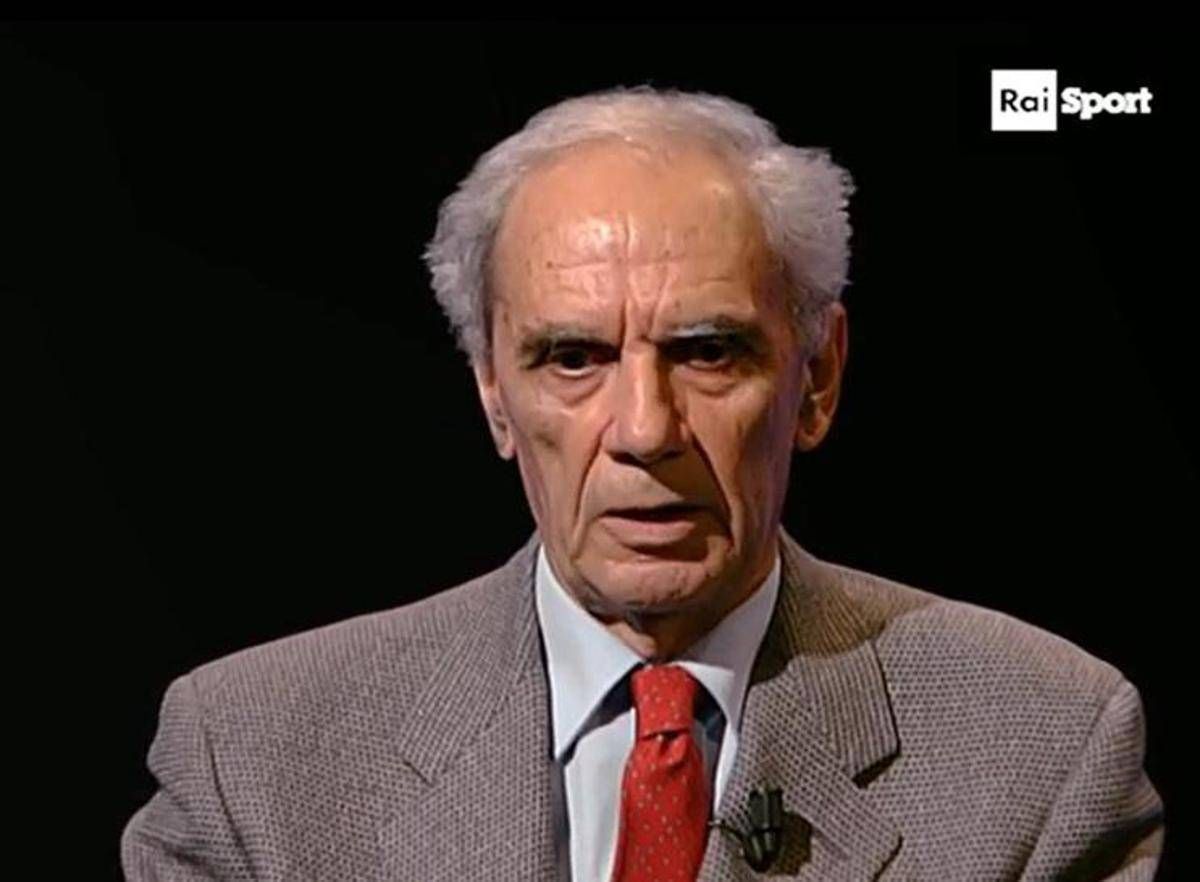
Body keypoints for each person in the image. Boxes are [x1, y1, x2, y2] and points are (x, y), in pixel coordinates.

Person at [121, 85, 1165, 882]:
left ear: (817, 379)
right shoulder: (253, 763)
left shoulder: (1042, 750)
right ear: (494, 395)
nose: (644, 430)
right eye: (573, 359)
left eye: (707, 352)